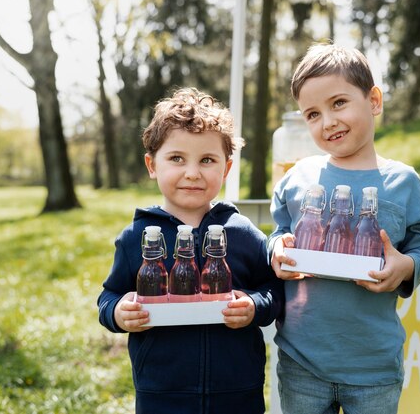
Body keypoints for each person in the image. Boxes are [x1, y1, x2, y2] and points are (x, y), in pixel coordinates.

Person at [269, 43, 420, 414]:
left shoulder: (403, 183)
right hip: (301, 361)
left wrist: (405, 267)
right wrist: (277, 247)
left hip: (373, 365)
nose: (327, 121)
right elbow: (278, 232)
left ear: (374, 100)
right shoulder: (297, 178)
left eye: (339, 103)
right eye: (312, 114)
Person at [98, 87, 284, 414]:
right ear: (152, 164)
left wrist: (254, 305)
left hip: (237, 392)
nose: (192, 173)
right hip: (162, 393)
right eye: (177, 158)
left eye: (207, 160)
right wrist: (118, 312)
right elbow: (109, 296)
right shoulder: (136, 237)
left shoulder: (242, 233)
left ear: (226, 169)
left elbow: (275, 291)